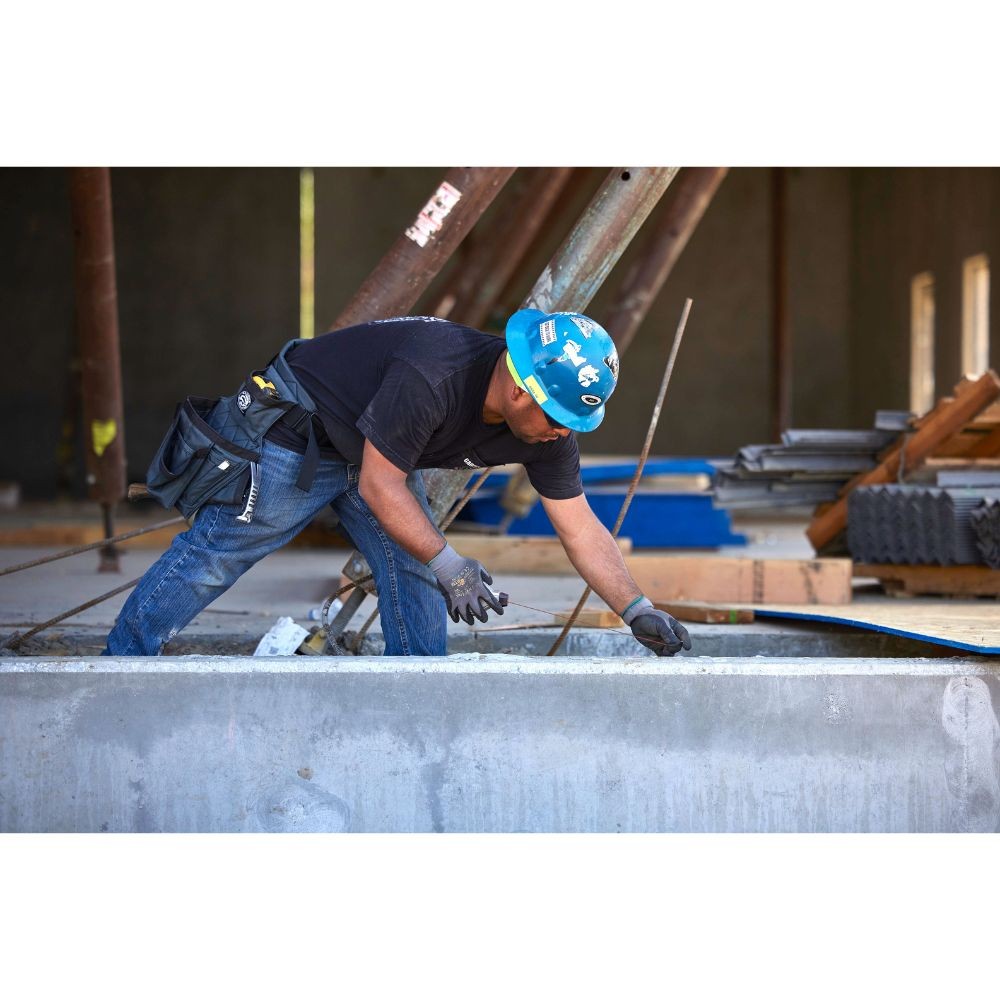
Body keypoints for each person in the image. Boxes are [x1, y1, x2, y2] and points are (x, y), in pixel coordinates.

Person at [103, 309, 692, 658]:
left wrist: (634, 607)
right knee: (219, 555)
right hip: (302, 431)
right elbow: (382, 489)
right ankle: (120, 665)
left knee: (414, 563)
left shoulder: (547, 432)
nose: (563, 433)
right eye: (557, 418)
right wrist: (451, 563)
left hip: (373, 449)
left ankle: (416, 687)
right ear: (519, 390)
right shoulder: (433, 375)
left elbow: (580, 526)